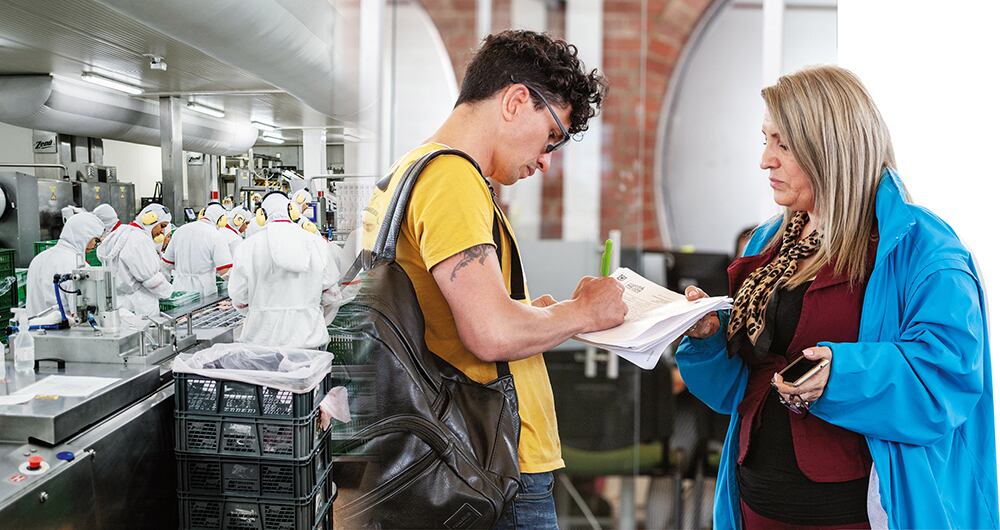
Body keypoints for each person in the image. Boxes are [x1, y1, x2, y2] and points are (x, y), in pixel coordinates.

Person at [676, 65, 996, 529]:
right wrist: (707, 339)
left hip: (861, 511)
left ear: (831, 149)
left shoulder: (922, 248)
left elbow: (947, 379)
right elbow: (735, 392)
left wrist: (838, 375)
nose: (765, 160)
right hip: (755, 502)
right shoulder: (768, 244)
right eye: (764, 140)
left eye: (782, 144)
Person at [360, 30, 626, 529]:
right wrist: (585, 310)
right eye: (551, 137)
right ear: (517, 100)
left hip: (468, 457)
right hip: (492, 461)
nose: (546, 161)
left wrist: (544, 315)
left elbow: (454, 316)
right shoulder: (451, 179)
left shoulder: (408, 171)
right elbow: (491, 333)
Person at [228, 191, 338, 350]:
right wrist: (310, 313)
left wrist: (262, 311)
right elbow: (332, 296)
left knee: (267, 376)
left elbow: (239, 297)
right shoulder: (317, 243)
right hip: (309, 338)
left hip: (261, 340)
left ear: (262, 215)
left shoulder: (246, 247)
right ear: (290, 210)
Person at [98, 203, 174, 317]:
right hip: (140, 304)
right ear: (150, 220)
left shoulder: (123, 232)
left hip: (122, 303)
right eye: (162, 226)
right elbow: (150, 278)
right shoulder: (140, 239)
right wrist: (170, 293)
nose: (163, 232)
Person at [25, 212, 104, 318]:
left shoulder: (38, 259)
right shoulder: (78, 266)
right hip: (63, 332)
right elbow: (81, 315)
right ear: (84, 236)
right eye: (96, 239)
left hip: (34, 330)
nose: (96, 244)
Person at [162, 202, 233, 297]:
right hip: (203, 290)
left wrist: (164, 291)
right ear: (220, 219)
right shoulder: (216, 235)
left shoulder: (180, 230)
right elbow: (224, 271)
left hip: (179, 290)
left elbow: (166, 265)